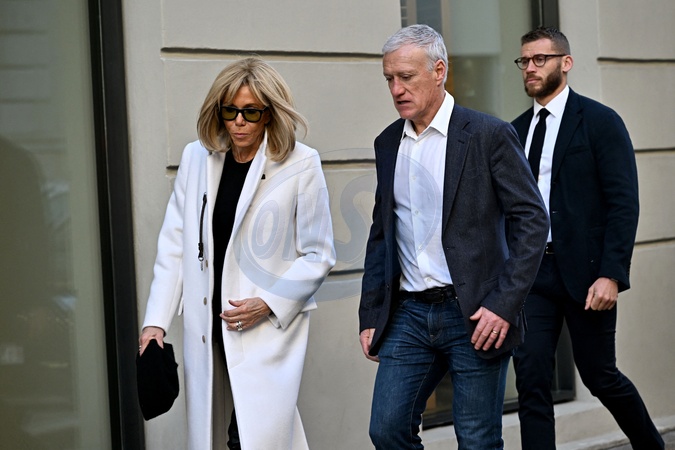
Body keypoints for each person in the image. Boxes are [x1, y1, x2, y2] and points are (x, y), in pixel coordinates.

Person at [358, 24, 549, 449]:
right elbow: (381, 234)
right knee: (386, 429)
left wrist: (504, 304)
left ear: (439, 71)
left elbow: (532, 219)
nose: (396, 89)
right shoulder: (387, 142)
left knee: (477, 440)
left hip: (476, 313)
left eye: (406, 77)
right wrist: (370, 313)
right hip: (408, 313)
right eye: (389, 79)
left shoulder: (488, 134)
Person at [138, 57, 336, 450]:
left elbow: (319, 254)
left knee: (251, 437)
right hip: (207, 329)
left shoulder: (301, 163)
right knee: (217, 436)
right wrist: (155, 323)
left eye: (251, 112)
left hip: (262, 331)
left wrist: (268, 303)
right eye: (230, 111)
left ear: (269, 114)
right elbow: (175, 244)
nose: (239, 122)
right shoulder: (196, 158)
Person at [511, 27, 664, 449]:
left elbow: (623, 203)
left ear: (566, 63)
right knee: (531, 380)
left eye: (540, 59)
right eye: (524, 60)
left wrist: (611, 274)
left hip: (587, 274)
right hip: (532, 275)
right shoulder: (515, 131)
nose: (530, 68)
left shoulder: (600, 121)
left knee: (600, 376)